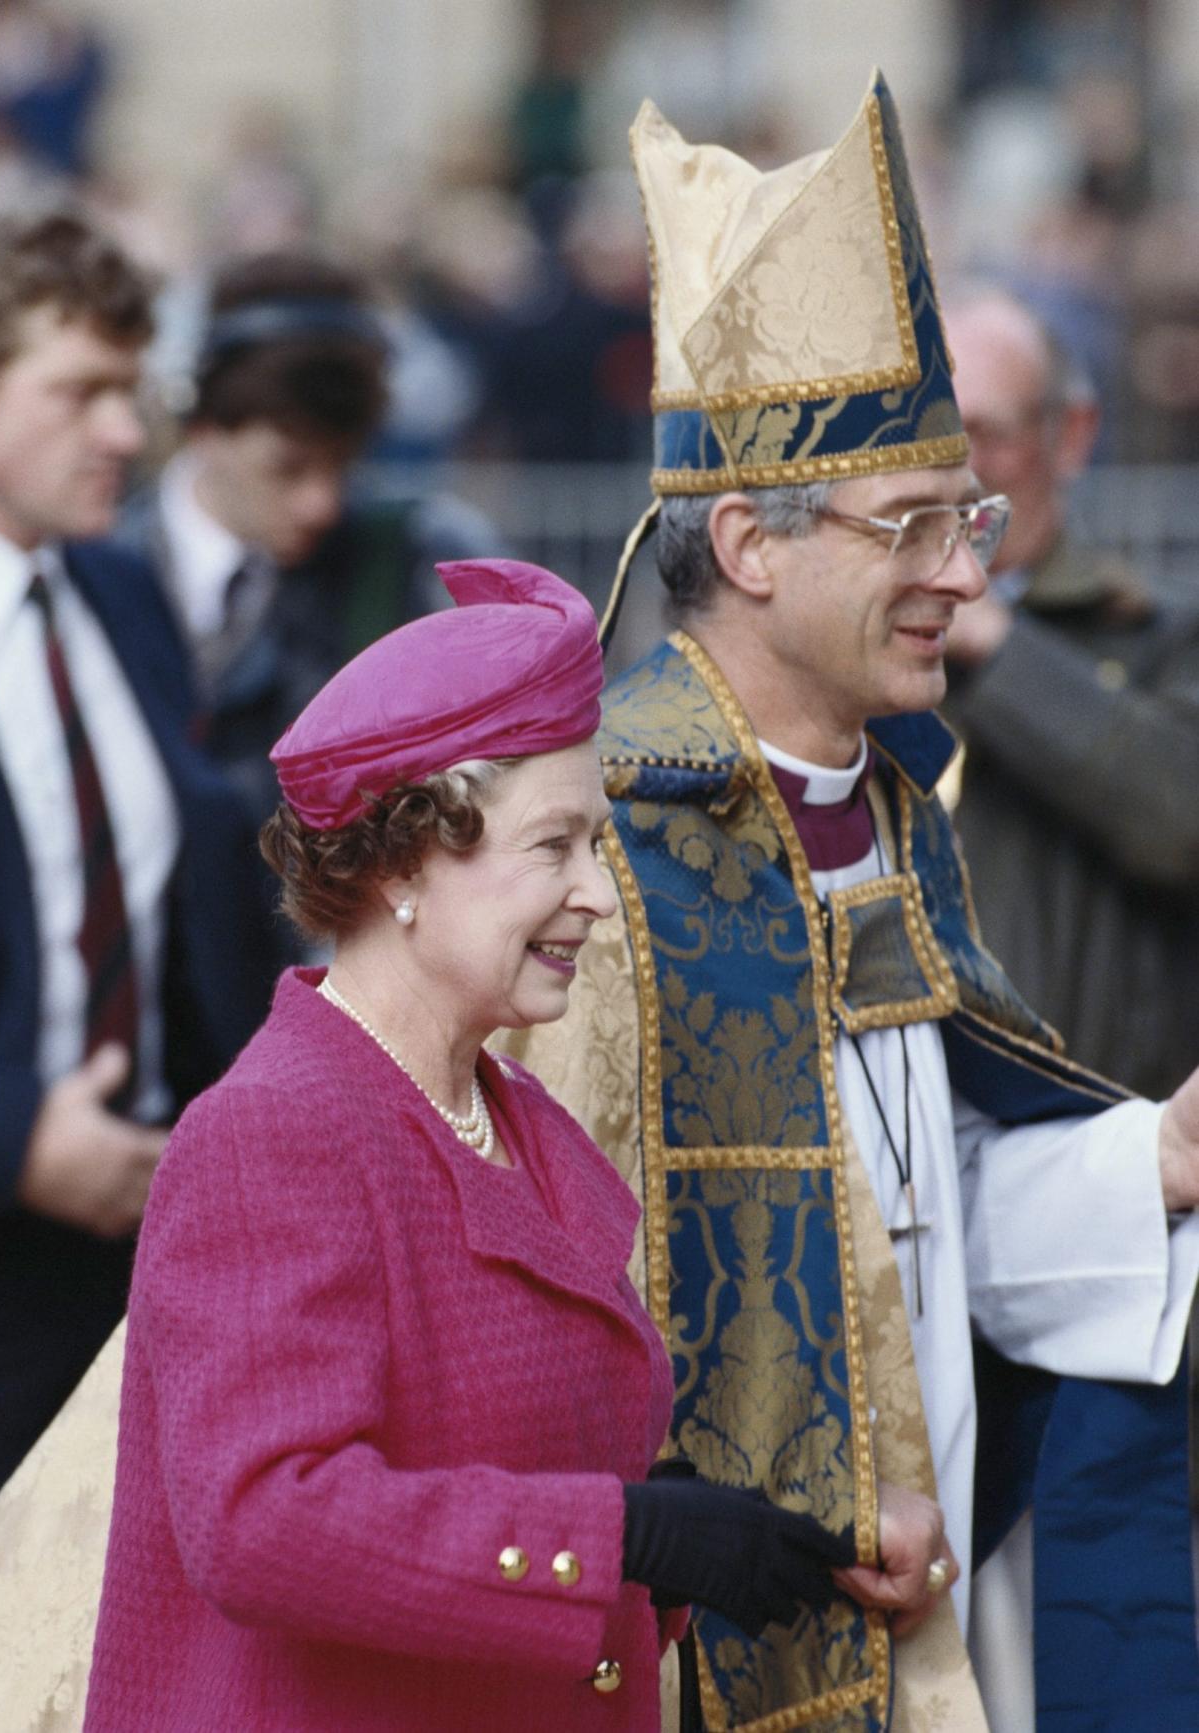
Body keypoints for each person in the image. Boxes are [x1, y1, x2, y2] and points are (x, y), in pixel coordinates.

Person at [500, 73, 1199, 1733]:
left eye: (965, 518)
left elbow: (914, 1211)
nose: (968, 574)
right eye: (915, 527)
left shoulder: (896, 810)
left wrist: (1144, 1159)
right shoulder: (594, 853)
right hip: (678, 1637)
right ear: (748, 541)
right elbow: (530, 1326)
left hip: (913, 1607)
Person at [80, 558, 862, 1732]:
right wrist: (619, 1532)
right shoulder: (274, 1129)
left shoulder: (517, 1117)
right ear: (402, 862)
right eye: (555, 847)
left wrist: (677, 1533)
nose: (599, 894)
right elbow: (262, 1519)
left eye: (597, 843)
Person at [0, 203, 275, 1545]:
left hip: (150, 1260)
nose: (124, 435)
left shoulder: (123, 600)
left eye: (131, 393)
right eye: (77, 391)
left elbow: (194, 910)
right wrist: (10, 1136)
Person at [114, 249, 502, 827]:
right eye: (288, 468)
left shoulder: (415, 559)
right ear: (203, 430)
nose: (321, 503)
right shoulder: (103, 564)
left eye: (342, 466)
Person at [941, 284, 1199, 1097]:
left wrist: (996, 644)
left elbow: (1182, 817)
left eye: (986, 434)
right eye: (929, 437)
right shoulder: (853, 643)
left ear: (1071, 437)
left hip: (1102, 1137)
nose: (956, 474)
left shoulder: (1158, 629)